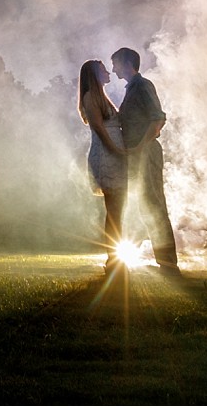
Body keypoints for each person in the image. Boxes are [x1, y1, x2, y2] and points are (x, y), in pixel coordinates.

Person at [111, 46, 179, 271]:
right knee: (143, 204)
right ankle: (150, 255)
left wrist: (141, 146)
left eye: (116, 63)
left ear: (127, 63)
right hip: (135, 154)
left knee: (154, 204)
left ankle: (168, 262)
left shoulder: (142, 85)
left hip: (145, 153)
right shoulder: (132, 88)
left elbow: (158, 119)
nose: (113, 69)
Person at [77, 59, 128, 271]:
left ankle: (115, 257)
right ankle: (113, 259)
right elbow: (98, 127)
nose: (108, 72)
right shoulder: (90, 98)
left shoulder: (101, 97)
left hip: (114, 156)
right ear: (95, 75)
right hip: (107, 157)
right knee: (114, 211)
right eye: (103, 69)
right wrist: (115, 151)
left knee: (118, 210)